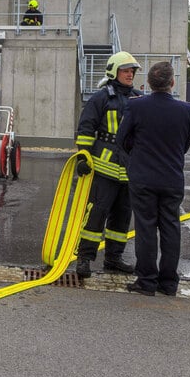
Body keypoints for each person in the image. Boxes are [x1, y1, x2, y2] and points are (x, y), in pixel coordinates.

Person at [117, 61, 190, 296]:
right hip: (172, 178)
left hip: (143, 177)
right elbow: (185, 145)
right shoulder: (187, 110)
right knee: (171, 228)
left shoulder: (137, 107)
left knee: (146, 229)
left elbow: (123, 139)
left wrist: (139, 155)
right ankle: (169, 283)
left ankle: (147, 281)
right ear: (172, 83)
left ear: (149, 83)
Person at [73, 51, 142, 278]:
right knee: (96, 213)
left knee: (122, 216)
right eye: (125, 70)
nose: (130, 74)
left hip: (129, 167)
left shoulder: (139, 98)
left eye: (132, 71)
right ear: (114, 72)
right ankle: (84, 258)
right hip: (103, 166)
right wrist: (83, 156)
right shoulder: (100, 98)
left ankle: (114, 258)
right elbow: (85, 129)